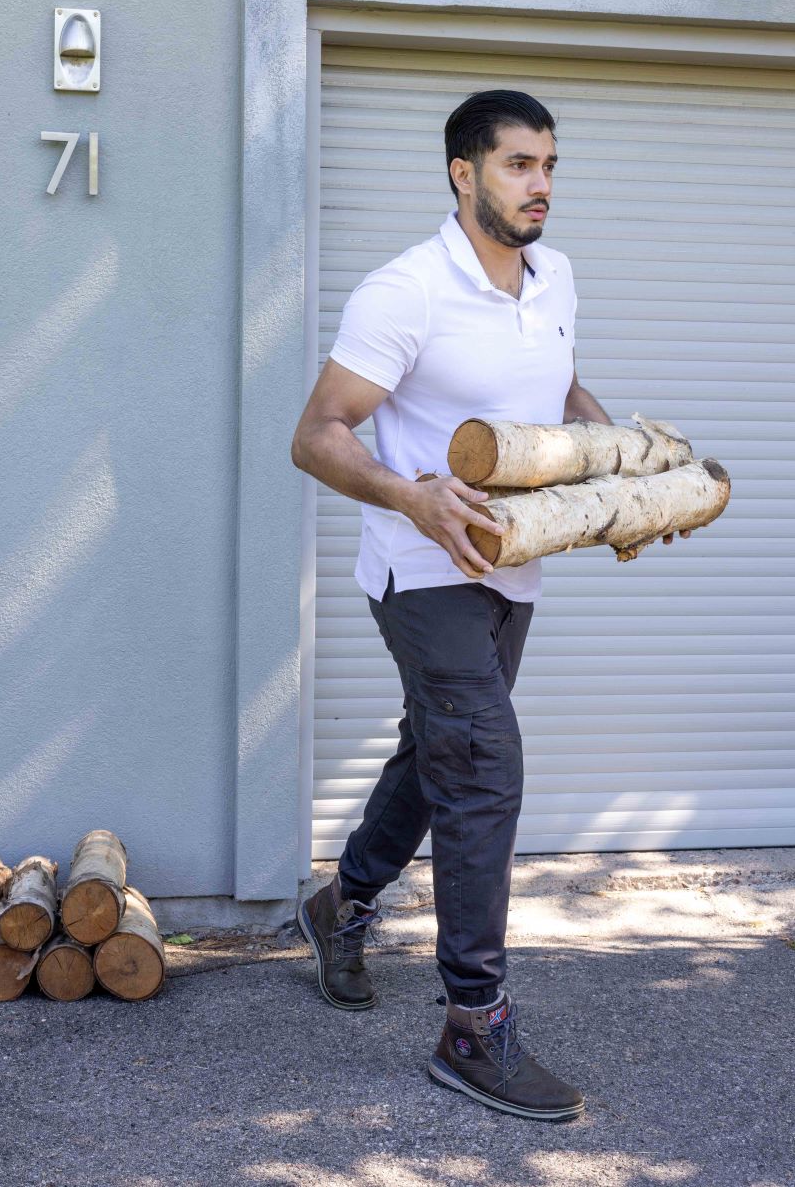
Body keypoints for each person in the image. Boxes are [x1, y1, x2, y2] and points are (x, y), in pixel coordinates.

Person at [290, 88, 689, 1121]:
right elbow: (320, 433)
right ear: (462, 173)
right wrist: (412, 495)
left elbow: (559, 392)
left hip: (515, 562)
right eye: (518, 164)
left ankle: (343, 901)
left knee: (438, 758)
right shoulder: (405, 290)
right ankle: (473, 1025)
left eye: (549, 164)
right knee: (485, 767)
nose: (541, 184)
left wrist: (620, 487)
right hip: (421, 571)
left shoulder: (553, 275)